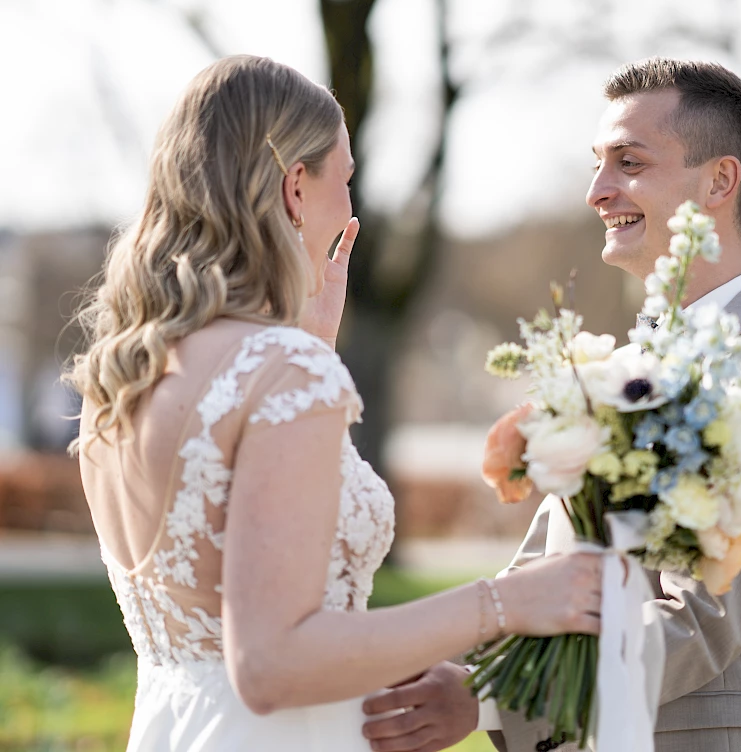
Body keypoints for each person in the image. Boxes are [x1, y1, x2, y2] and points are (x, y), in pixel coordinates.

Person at [64, 55, 603, 752]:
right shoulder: (282, 373)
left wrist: (309, 342)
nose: (351, 209)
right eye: (344, 180)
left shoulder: (129, 371)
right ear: (295, 188)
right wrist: (505, 603)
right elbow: (270, 662)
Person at [363, 58, 741, 752]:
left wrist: (483, 699)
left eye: (629, 162)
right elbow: (542, 568)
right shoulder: (621, 367)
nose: (598, 191)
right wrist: (437, 662)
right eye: (596, 164)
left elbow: (706, 618)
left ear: (720, 180)